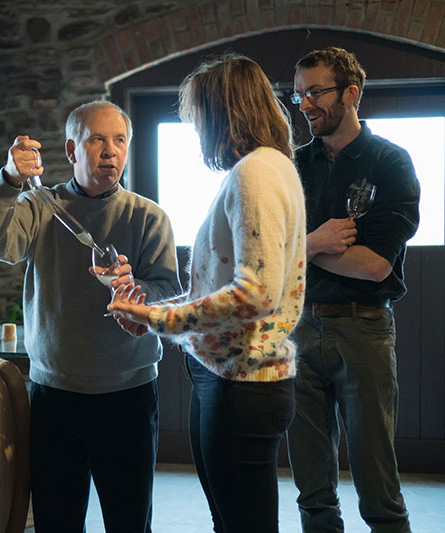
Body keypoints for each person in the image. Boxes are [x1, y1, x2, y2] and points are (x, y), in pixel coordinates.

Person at [107, 55, 307, 533]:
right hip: (233, 378)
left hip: (241, 384)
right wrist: (152, 309)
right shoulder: (269, 166)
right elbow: (216, 287)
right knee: (233, 520)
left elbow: (256, 293)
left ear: (223, 113)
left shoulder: (254, 174)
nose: (197, 131)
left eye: (199, 118)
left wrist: (160, 321)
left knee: (242, 524)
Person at [0, 100, 182, 532]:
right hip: (56, 396)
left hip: (129, 395)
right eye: (97, 139)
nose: (110, 150)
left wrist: (135, 291)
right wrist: (9, 180)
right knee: (57, 523)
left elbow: (167, 296)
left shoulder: (149, 217)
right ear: (71, 150)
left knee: (128, 522)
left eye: (119, 140)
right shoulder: (39, 206)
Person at [286, 47, 419, 532]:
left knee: (377, 483)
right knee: (311, 489)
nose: (304, 104)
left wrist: (296, 249)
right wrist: (316, 240)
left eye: (315, 92)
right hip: (296, 329)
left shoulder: (389, 163)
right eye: (298, 94)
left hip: (362, 329)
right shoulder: (290, 165)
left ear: (351, 93)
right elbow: (265, 255)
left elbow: (376, 265)